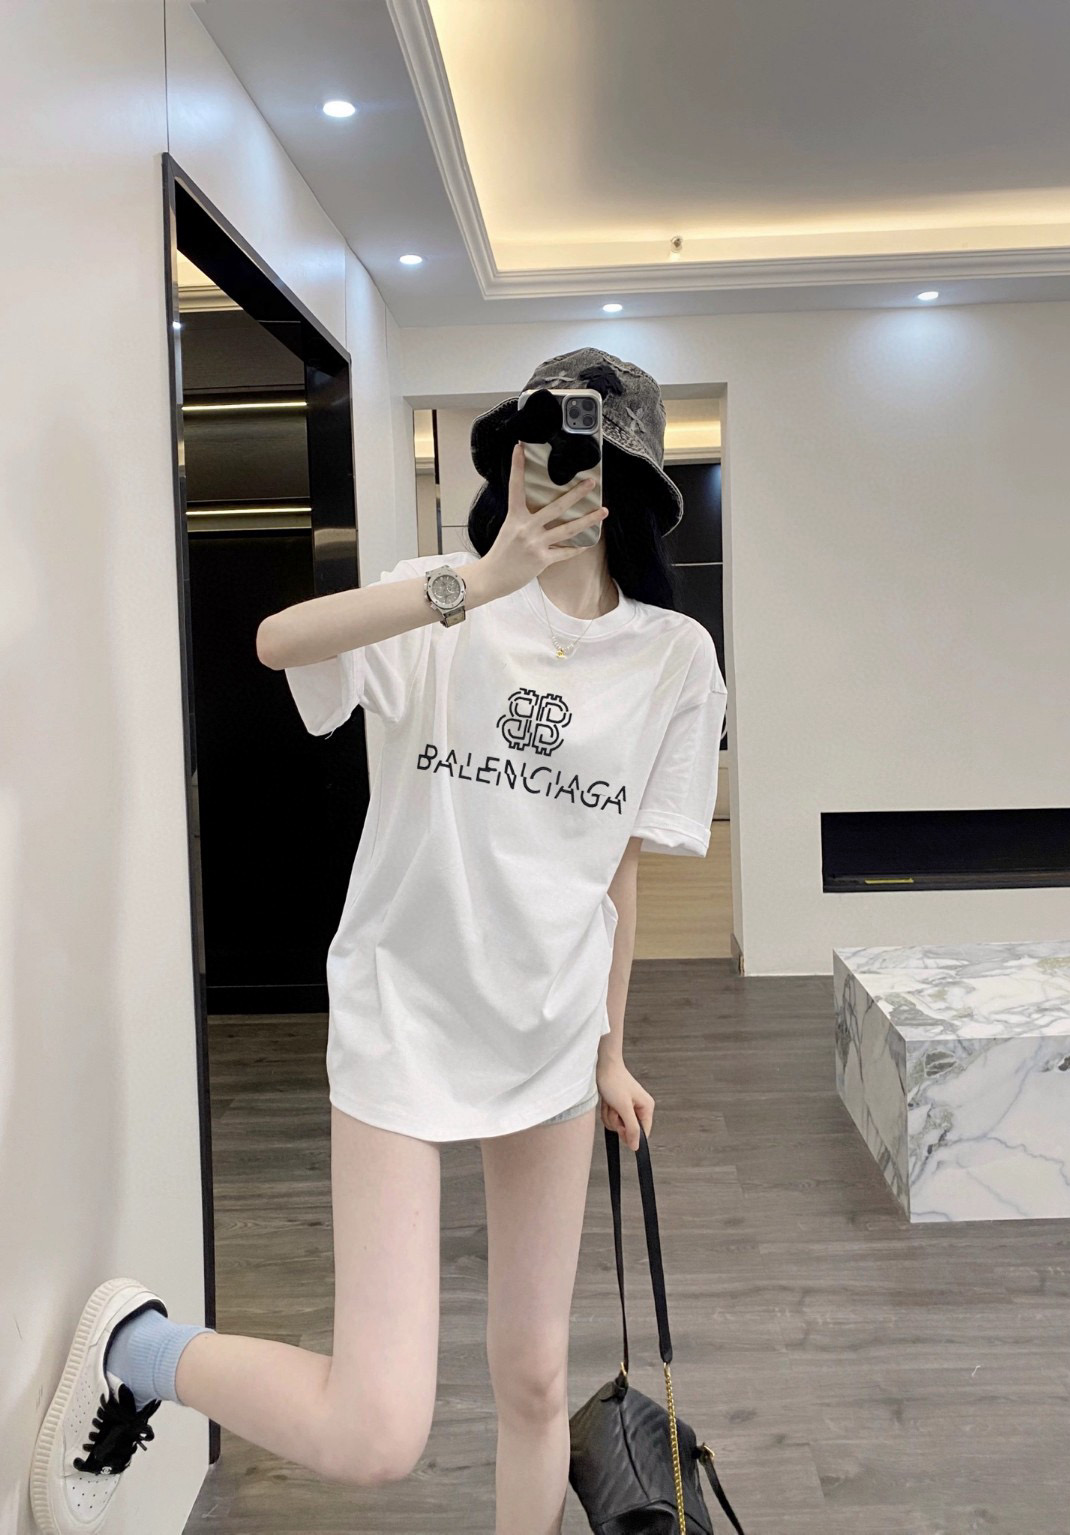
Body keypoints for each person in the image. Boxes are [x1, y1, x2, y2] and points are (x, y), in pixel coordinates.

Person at [29, 348, 727, 1535]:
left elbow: (616, 868)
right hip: (405, 1020)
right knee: (376, 1429)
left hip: (551, 1042)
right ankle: (139, 1348)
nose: (566, 478)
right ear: (512, 460)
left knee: (535, 1379)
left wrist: (612, 1048)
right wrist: (480, 581)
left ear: (634, 493)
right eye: (547, 450)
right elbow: (277, 640)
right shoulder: (435, 602)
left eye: (594, 463)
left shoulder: (673, 658)